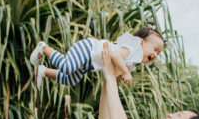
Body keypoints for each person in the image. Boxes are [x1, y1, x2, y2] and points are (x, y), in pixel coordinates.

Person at [29, 27, 164, 89]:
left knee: (70, 81)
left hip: (90, 64)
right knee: (67, 67)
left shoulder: (132, 63)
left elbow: (112, 74)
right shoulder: (132, 48)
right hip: (88, 49)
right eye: (155, 49)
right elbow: (115, 56)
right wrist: (125, 72)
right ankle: (44, 48)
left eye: (158, 53)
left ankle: (43, 71)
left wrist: (121, 76)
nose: (156, 55)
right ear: (141, 41)